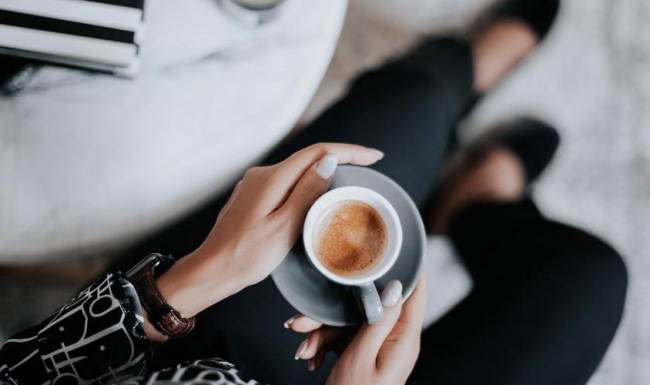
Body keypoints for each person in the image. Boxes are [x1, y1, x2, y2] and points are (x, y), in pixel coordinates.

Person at [0, 0, 628, 384]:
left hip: (170, 352)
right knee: (587, 278)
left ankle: (455, 76)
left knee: (410, 108)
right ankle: (478, 203)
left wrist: (195, 280)